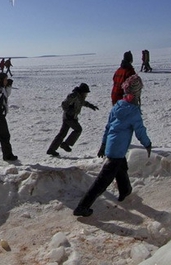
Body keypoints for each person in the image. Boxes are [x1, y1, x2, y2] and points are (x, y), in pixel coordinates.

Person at [73, 75, 152, 217]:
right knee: (102, 181)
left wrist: (104, 144)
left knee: (121, 168)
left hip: (112, 146)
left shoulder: (118, 105)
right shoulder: (134, 111)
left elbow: (108, 127)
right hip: (117, 150)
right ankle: (82, 207)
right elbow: (140, 131)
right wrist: (147, 144)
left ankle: (125, 190)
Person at [47, 83, 99, 157]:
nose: (86, 94)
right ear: (81, 91)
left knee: (62, 133)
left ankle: (51, 149)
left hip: (71, 117)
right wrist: (69, 110)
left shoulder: (79, 97)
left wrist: (90, 105)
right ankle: (65, 144)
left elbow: (82, 103)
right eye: (85, 93)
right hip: (69, 117)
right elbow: (64, 104)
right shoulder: (73, 96)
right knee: (78, 129)